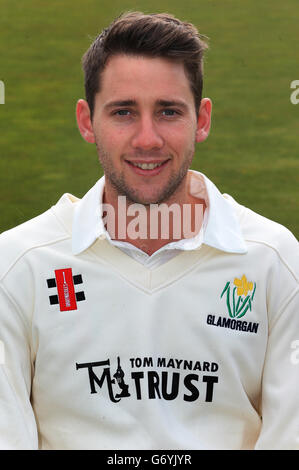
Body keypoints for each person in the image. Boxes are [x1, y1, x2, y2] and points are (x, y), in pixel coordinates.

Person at [0, 11, 298, 451]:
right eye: (123, 112)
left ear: (202, 119)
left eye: (168, 111)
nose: (147, 139)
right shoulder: (19, 264)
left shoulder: (273, 260)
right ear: (87, 121)